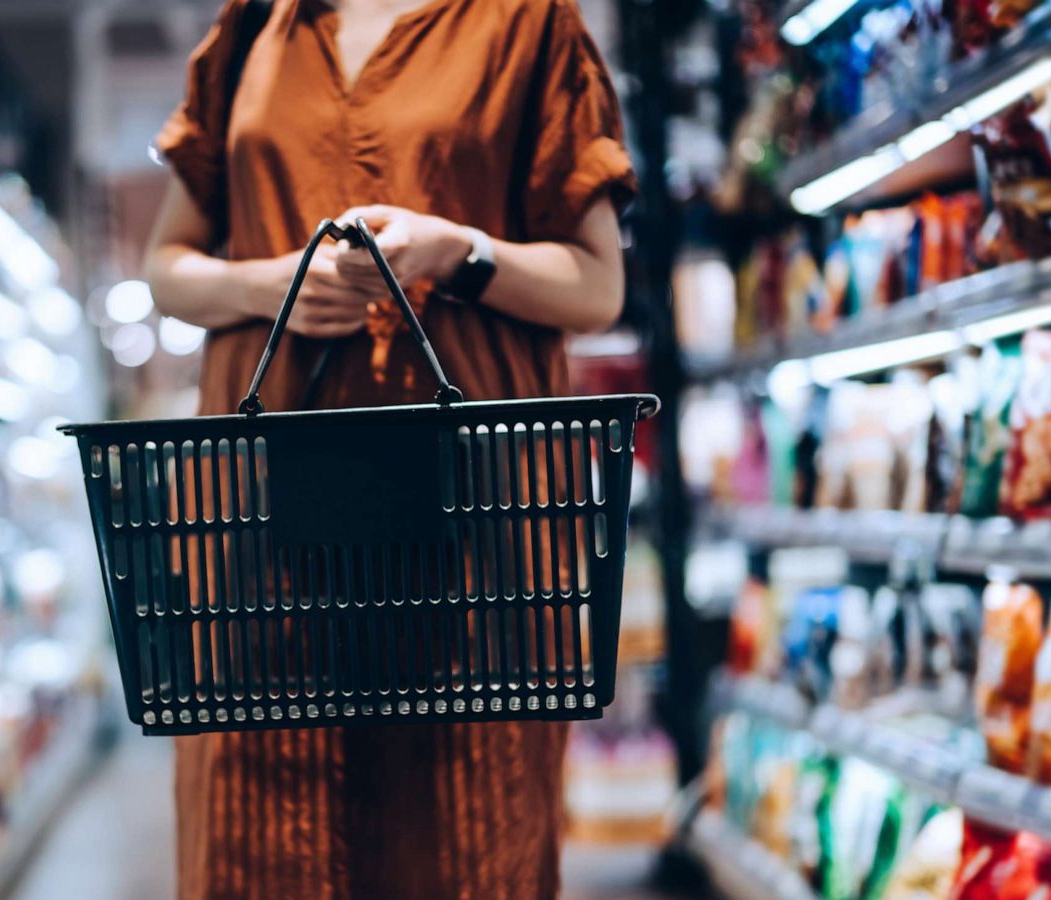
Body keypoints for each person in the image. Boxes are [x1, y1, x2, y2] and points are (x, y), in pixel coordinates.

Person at [142, 0, 637, 895]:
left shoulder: (525, 25)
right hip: (261, 526)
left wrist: (459, 252)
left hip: (478, 525)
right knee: (256, 838)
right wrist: (268, 284)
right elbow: (167, 267)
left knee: (463, 835)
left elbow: (599, 285)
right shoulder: (255, 29)